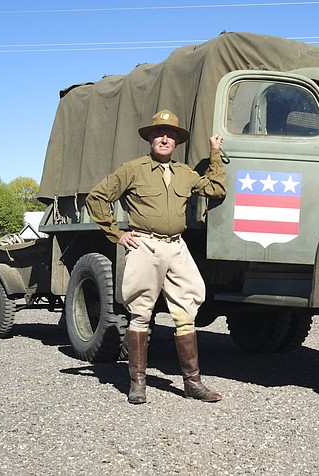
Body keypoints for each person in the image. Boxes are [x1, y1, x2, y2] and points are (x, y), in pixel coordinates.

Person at [86, 109, 226, 404]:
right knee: (140, 312)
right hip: (144, 246)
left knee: (187, 310)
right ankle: (138, 384)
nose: (165, 139)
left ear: (176, 142)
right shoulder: (132, 169)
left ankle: (192, 383)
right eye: (159, 134)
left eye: (170, 135)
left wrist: (215, 153)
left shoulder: (185, 174)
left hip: (176, 247)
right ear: (150, 139)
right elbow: (97, 197)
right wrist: (117, 234)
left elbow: (216, 189)